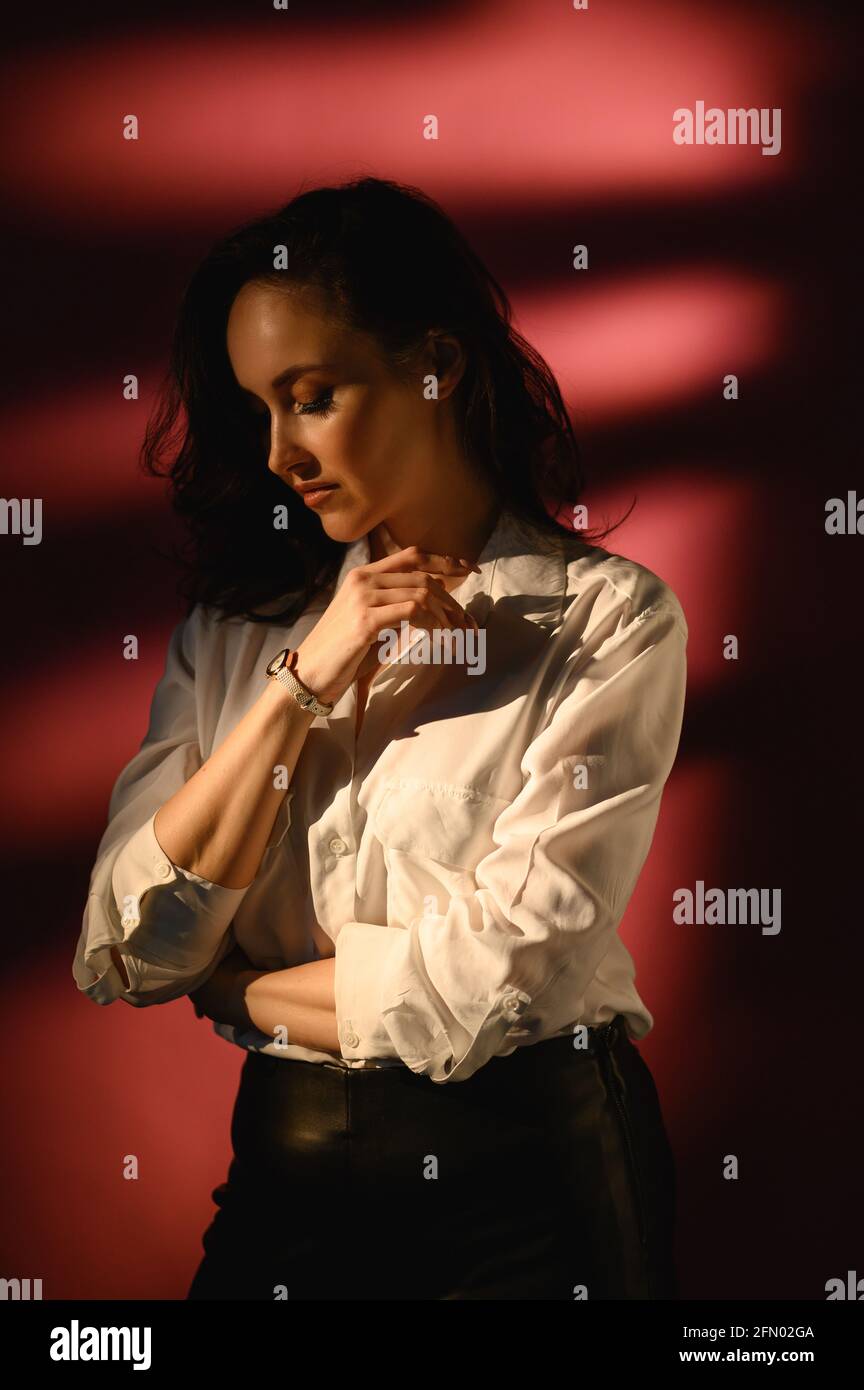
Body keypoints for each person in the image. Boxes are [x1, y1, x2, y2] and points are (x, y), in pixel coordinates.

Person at [72, 176, 688, 1300]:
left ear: (435, 368)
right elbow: (131, 945)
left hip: (531, 1184)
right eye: (260, 407)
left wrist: (239, 994)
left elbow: (495, 976)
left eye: (310, 396)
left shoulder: (608, 621)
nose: (277, 453)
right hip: (286, 1175)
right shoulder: (238, 632)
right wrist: (305, 679)